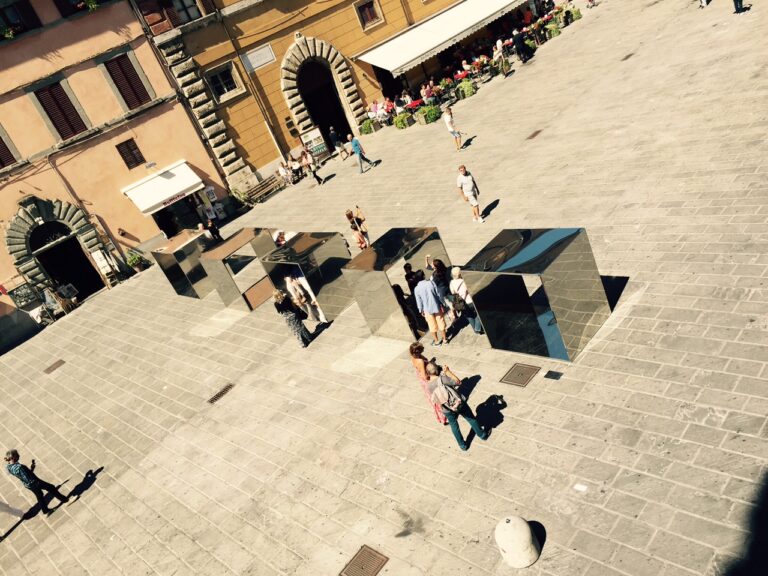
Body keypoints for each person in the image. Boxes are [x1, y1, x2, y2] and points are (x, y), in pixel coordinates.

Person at [425, 363, 488, 450]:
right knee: (470, 418)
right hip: (458, 403)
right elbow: (458, 382)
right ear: (436, 370)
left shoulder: (428, 386)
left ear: (427, 373)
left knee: (454, 426)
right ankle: (482, 435)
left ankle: (463, 445)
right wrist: (448, 371)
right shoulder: (442, 379)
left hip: (446, 408)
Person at [5, 449, 68, 515]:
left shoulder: (9, 467)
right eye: (17, 455)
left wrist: (31, 469)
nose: (19, 456)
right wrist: (36, 481)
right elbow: (27, 478)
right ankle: (65, 500)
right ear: (13, 457)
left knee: (40, 496)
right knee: (51, 487)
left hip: (27, 485)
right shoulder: (20, 467)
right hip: (34, 483)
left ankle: (45, 510)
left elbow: (23, 475)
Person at [409, 343, 448, 425]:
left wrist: (429, 362)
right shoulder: (420, 361)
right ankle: (443, 417)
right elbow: (424, 376)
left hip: (421, 379)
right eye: (422, 349)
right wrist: (433, 375)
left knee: (433, 398)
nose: (423, 349)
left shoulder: (413, 357)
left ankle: (441, 417)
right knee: (437, 398)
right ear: (418, 351)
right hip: (427, 381)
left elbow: (422, 365)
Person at [414, 270, 447, 346]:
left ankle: (436, 342)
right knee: (441, 322)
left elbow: (419, 301)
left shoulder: (417, 289)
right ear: (423, 276)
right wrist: (442, 303)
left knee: (431, 325)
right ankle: (445, 339)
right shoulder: (431, 283)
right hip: (436, 306)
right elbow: (438, 294)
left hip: (427, 310)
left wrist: (420, 310)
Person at [450, 267, 484, 334]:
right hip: (469, 301)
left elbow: (453, 293)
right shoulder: (464, 280)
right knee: (479, 313)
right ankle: (477, 327)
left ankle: (475, 330)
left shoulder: (451, 282)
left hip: (461, 303)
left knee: (469, 316)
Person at [426, 255, 453, 323]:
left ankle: (453, 315)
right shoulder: (442, 269)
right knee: (451, 302)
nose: (431, 264)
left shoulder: (436, 275)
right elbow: (427, 267)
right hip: (447, 287)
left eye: (432, 264)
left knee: (448, 305)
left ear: (435, 267)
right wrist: (426, 259)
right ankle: (455, 314)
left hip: (441, 292)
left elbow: (433, 285)